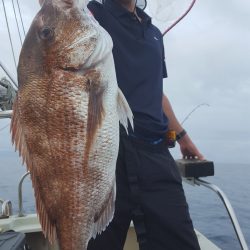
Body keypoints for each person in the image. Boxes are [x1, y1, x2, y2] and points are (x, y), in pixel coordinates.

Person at [86, 0, 204, 250]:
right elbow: (55, 10)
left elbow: (157, 93)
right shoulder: (92, 16)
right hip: (108, 155)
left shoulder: (154, 34)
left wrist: (184, 138)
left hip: (157, 156)